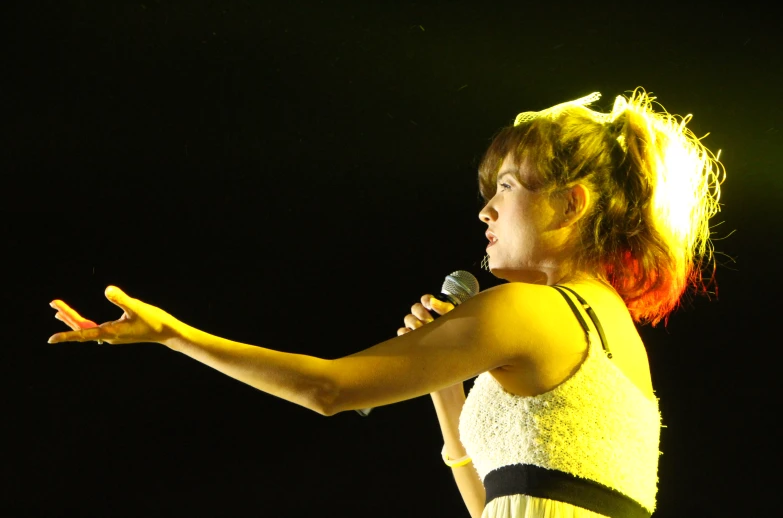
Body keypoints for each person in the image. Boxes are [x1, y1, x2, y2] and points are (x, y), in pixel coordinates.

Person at [48, 89, 724, 518]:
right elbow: (495, 506)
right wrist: (444, 388)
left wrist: (173, 334)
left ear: (569, 204)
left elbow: (327, 388)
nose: (485, 208)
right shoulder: (605, 330)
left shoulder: (530, 309)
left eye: (508, 186)